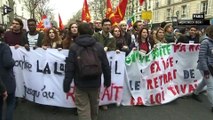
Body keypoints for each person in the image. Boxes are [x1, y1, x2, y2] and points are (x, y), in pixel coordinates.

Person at [63, 22, 111, 120]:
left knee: (83, 108)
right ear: (91, 32)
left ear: (79, 32)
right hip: (95, 82)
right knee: (94, 106)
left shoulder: (74, 47)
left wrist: (66, 83)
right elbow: (106, 65)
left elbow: (70, 67)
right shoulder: (99, 46)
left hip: (80, 83)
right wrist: (107, 80)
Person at [193, 25, 213, 112]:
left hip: (211, 67)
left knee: (205, 82)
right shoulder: (205, 42)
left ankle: (195, 93)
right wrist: (205, 70)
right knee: (211, 86)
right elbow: (202, 57)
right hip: (204, 67)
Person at [0, 41, 16, 120]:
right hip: (6, 82)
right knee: (10, 103)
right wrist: (13, 61)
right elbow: (8, 63)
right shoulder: (4, 47)